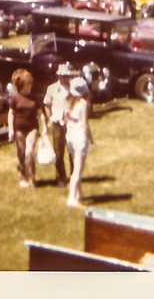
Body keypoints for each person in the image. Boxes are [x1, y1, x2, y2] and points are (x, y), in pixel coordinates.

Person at [8, 69, 46, 189]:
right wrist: (10, 130)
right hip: (19, 129)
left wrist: (44, 126)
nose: (30, 86)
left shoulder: (35, 98)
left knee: (29, 153)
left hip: (32, 129)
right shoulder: (15, 98)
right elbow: (11, 114)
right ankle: (22, 175)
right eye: (27, 84)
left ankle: (31, 178)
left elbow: (40, 113)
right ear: (21, 86)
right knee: (21, 154)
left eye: (30, 83)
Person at [64, 76, 95, 208]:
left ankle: (78, 194)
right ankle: (72, 199)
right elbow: (85, 124)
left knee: (76, 169)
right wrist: (92, 141)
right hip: (80, 138)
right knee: (78, 170)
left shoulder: (67, 102)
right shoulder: (83, 103)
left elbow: (65, 120)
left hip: (69, 137)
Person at [43, 62, 75, 187]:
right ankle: (61, 177)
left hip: (70, 122)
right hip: (57, 122)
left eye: (66, 75)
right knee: (58, 152)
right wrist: (49, 119)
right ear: (58, 76)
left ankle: (74, 176)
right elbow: (47, 105)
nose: (65, 78)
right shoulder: (52, 89)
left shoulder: (73, 88)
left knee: (72, 150)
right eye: (62, 76)